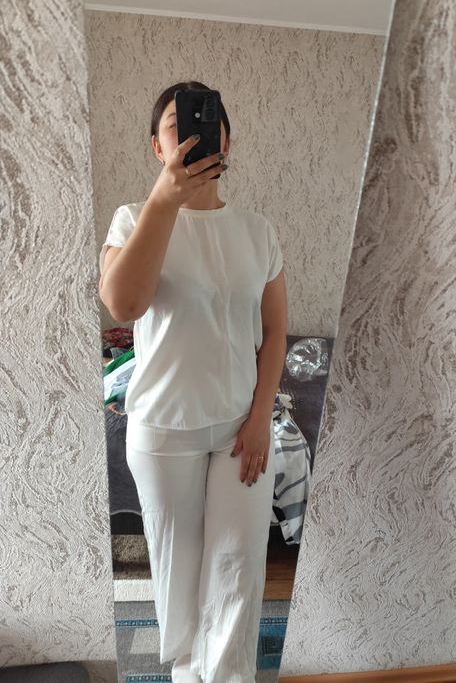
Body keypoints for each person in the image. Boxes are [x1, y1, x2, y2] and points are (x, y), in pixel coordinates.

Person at [98, 80, 288, 682]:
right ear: (157, 148)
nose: (191, 136)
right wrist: (164, 202)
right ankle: (187, 671)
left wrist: (261, 418)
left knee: (238, 573)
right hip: (163, 431)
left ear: (225, 140)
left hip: (240, 431)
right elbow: (123, 305)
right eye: (176, 127)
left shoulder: (258, 231)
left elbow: (275, 332)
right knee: (178, 584)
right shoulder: (133, 218)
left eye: (205, 124)